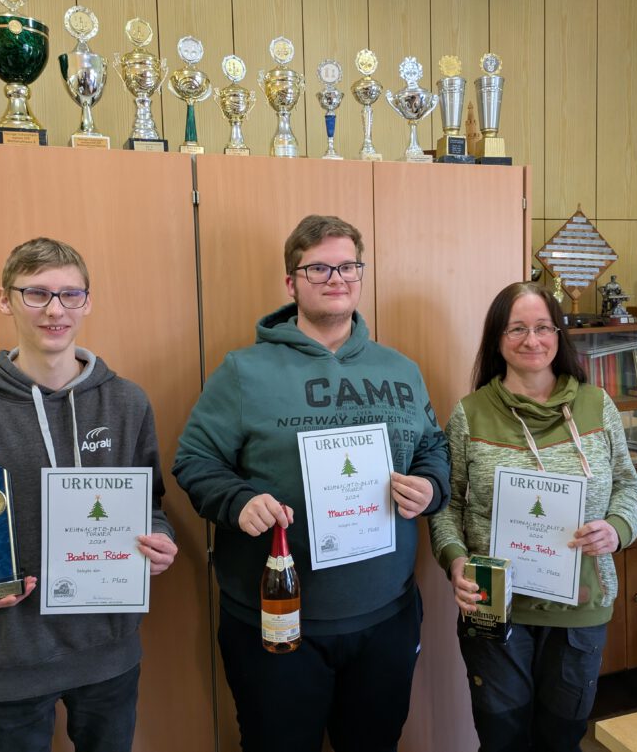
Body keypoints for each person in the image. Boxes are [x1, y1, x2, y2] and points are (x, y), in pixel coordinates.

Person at [172, 214, 450, 752]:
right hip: (276, 623)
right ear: (291, 282)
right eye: (318, 267)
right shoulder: (243, 371)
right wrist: (238, 500)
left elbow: (433, 446)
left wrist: (430, 486)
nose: (335, 277)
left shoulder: (401, 370)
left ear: (361, 275)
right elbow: (195, 459)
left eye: (348, 265)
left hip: (386, 616)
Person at [0, 238, 177, 752]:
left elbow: (151, 502)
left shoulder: (127, 402)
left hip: (109, 651)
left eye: (70, 295)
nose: (55, 310)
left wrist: (158, 539)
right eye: (36, 294)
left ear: (87, 302)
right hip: (6, 653)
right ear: (5, 299)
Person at [428, 281, 637, 752]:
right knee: (501, 736)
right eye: (518, 329)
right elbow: (449, 504)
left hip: (581, 602)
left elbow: (629, 484)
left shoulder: (596, 404)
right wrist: (454, 558)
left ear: (559, 335)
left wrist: (617, 528)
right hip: (493, 600)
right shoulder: (469, 414)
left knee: (561, 737)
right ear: (497, 339)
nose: (533, 340)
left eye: (544, 327)